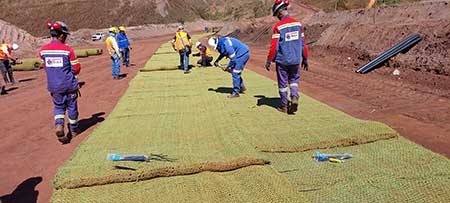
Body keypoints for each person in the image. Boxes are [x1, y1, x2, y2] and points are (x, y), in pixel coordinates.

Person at [39, 21, 81, 143]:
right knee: (72, 107)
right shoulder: (67, 50)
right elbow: (76, 68)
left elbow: (45, 66)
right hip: (69, 85)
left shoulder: (43, 51)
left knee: (58, 107)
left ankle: (59, 125)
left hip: (54, 87)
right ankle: (73, 130)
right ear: (62, 36)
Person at [265, 0, 309, 114]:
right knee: (294, 80)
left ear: (279, 12)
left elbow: (274, 46)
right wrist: (305, 58)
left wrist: (269, 60)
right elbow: (303, 44)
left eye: (276, 15)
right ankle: (294, 96)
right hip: (295, 60)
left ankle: (284, 106)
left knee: (283, 83)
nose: (277, 18)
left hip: (282, 61)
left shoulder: (278, 26)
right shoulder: (298, 24)